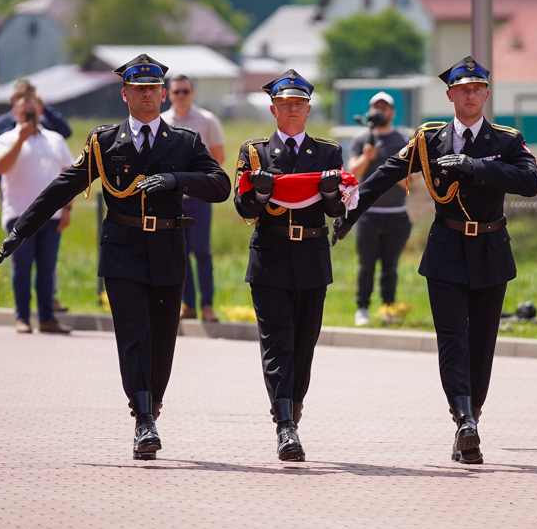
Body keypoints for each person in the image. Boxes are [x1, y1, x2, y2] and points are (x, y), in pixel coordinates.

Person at [0, 54, 231, 459]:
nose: (147, 96)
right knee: (133, 335)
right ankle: (143, 420)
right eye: (138, 90)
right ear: (125, 95)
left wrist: (176, 179)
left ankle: (151, 404)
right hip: (123, 251)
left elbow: (219, 184)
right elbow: (62, 186)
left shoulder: (185, 142)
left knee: (161, 343)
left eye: (153, 89)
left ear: (162, 94)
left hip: (168, 250)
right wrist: (21, 229)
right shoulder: (105, 142)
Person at [332, 56, 537, 464]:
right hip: (446, 250)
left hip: (490, 252)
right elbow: (383, 176)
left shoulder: (506, 140)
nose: (469, 94)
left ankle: (472, 421)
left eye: (476, 88)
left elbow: (531, 182)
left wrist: (476, 166)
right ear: (449, 95)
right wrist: (348, 216)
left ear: (486, 94)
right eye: (461, 89)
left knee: (482, 343)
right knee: (452, 340)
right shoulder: (429, 140)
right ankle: (462, 419)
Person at [234, 69, 348, 462]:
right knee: (277, 343)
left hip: (312, 258)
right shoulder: (256, 151)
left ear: (309, 108)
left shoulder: (328, 152)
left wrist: (333, 194)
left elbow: (338, 210)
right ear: (273, 109)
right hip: (271, 256)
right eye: (285, 104)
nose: (293, 109)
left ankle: (293, 409)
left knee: (303, 345)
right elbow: (243, 207)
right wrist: (260, 193)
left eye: (299, 103)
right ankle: (285, 424)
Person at [0, 79, 73, 313]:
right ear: (15, 111)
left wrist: (68, 209)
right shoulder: (4, 136)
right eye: (24, 110)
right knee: (21, 268)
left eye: (33, 109)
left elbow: (69, 175)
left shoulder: (55, 138)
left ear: (41, 110)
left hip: (51, 215)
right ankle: (22, 316)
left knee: (47, 268)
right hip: (19, 213)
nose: (29, 114)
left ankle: (46, 317)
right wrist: (21, 139)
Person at [161, 74, 224, 323]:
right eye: (176, 92)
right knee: (179, 252)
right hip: (172, 198)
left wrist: (197, 180)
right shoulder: (162, 121)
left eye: (185, 91)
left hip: (198, 196)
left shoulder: (207, 120)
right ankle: (187, 304)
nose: (181, 96)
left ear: (193, 93)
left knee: (202, 250)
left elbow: (218, 157)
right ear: (168, 94)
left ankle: (207, 304)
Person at [347, 91, 412, 326]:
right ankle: (362, 308)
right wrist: (367, 157)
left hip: (396, 216)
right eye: (376, 107)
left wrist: (391, 171)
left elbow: (410, 182)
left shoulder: (404, 140)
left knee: (390, 268)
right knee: (366, 266)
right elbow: (352, 173)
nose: (380, 112)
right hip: (367, 216)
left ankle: (388, 309)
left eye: (384, 108)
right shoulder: (361, 140)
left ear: (392, 112)